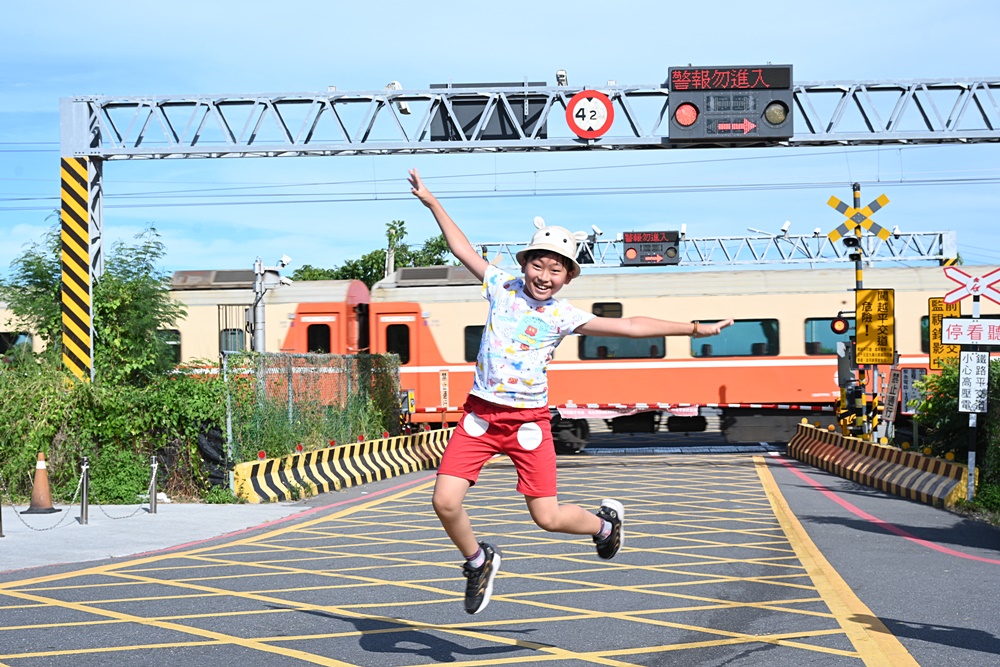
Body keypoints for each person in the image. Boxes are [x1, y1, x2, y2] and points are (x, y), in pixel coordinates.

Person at [407, 168, 734, 615]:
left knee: (547, 517)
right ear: (523, 264)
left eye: (555, 269)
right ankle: (478, 561)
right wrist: (433, 203)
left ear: (567, 278)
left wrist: (696, 328)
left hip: (527, 423)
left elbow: (631, 326)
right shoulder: (500, 288)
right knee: (443, 502)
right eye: (537, 264)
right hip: (480, 417)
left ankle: (603, 526)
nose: (544, 275)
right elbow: (461, 248)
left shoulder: (562, 314)